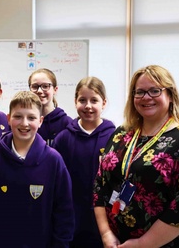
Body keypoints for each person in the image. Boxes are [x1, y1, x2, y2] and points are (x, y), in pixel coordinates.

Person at [93, 65, 179, 248]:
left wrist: (142, 244)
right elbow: (100, 185)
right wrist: (106, 233)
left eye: (155, 91)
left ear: (170, 95)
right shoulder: (121, 135)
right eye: (139, 92)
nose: (146, 97)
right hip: (117, 243)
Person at [0, 91, 74, 248]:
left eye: (31, 118)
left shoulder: (54, 160)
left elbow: (64, 210)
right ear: (8, 119)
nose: (24, 123)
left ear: (40, 121)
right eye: (18, 116)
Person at [53, 76, 115, 248]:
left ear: (103, 103)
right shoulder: (63, 139)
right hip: (71, 219)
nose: (88, 106)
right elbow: (55, 181)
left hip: (105, 222)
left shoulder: (115, 138)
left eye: (94, 100)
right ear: (75, 102)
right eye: (82, 100)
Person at [29, 68, 72, 145]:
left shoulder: (67, 123)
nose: (39, 91)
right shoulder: (25, 121)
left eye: (45, 86)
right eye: (35, 86)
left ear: (55, 89)